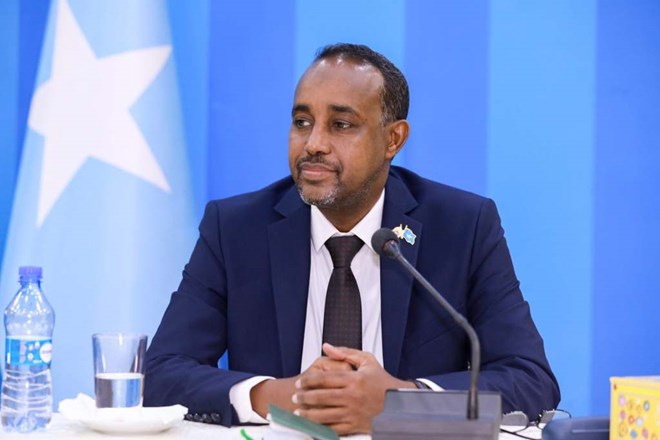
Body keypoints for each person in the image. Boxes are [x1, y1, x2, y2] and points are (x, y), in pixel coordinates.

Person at [144, 43, 560, 435]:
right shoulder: (236, 228)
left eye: (341, 125)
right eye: (302, 122)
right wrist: (275, 396)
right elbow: (162, 372)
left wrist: (401, 402)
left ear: (393, 140)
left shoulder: (462, 227)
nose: (314, 144)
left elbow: (530, 380)